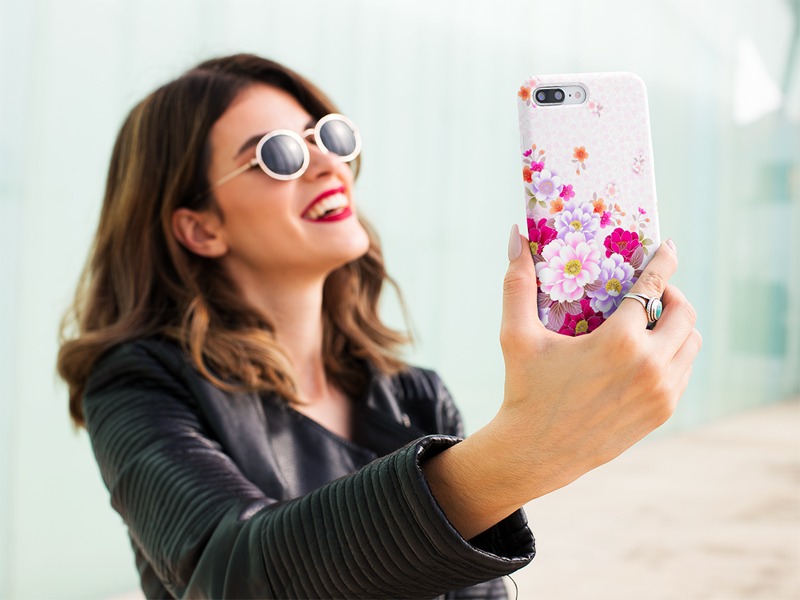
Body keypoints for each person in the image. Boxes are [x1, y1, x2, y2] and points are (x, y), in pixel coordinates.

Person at [57, 53, 701, 599]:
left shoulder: (415, 397)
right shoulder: (137, 384)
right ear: (200, 228)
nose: (325, 165)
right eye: (278, 155)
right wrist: (521, 451)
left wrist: (523, 451)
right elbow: (232, 572)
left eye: (328, 137)